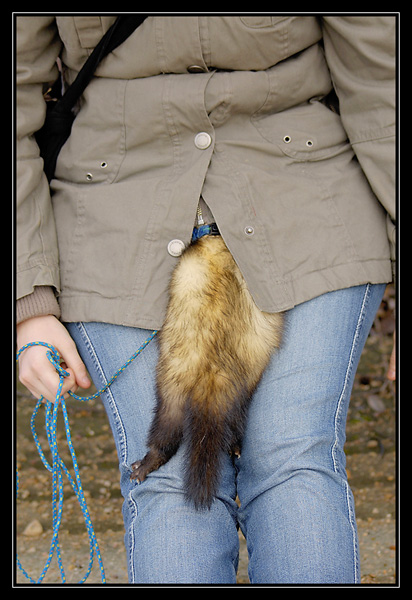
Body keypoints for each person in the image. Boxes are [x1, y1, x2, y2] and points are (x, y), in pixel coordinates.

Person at [16, 15, 396, 584]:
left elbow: (382, 79)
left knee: (294, 459)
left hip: (309, 208)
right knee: (168, 476)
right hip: (111, 224)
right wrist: (30, 301)